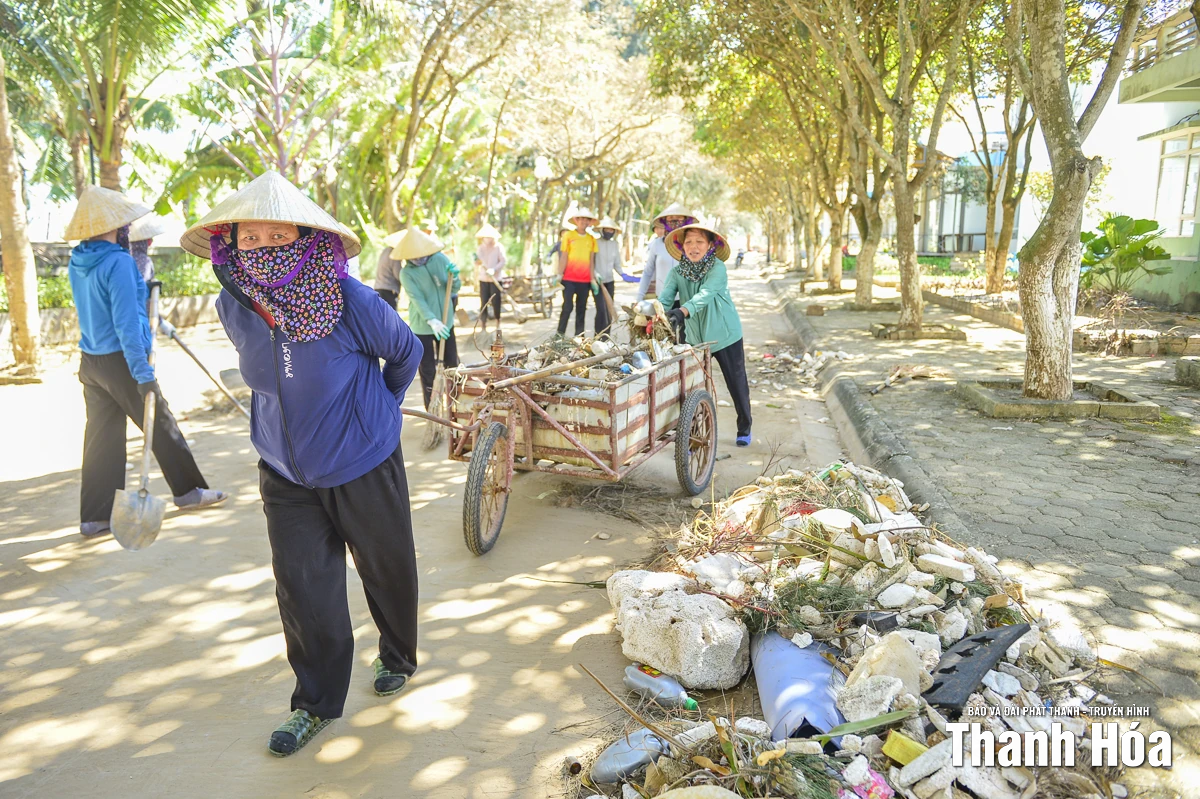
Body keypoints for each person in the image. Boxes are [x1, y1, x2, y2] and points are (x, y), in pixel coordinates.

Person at [180, 171, 424, 757]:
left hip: (362, 459)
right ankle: (314, 704)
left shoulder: (351, 300)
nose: (263, 247)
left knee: (386, 567)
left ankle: (397, 653)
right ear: (229, 245)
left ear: (309, 240)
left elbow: (406, 352)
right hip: (284, 472)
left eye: (278, 233)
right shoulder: (231, 303)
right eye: (250, 237)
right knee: (302, 588)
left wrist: (375, 413)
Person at [65, 186, 227, 540]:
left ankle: (95, 518)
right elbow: (125, 323)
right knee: (161, 419)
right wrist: (143, 373)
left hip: (91, 362)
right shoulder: (118, 262)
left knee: (101, 438)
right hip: (123, 361)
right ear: (118, 227)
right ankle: (188, 491)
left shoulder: (78, 260)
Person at [659, 222, 753, 448]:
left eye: (699, 241)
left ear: (710, 245)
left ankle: (744, 427)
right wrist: (655, 314)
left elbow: (706, 294)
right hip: (695, 339)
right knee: (690, 387)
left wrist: (682, 311)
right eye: (689, 242)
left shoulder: (717, 268)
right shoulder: (676, 272)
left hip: (725, 335)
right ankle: (691, 437)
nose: (694, 246)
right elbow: (665, 298)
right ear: (682, 247)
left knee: (736, 382)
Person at [393, 228, 462, 408]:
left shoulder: (439, 259)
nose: (418, 259)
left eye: (421, 255)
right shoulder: (406, 273)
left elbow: (454, 289)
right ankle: (432, 408)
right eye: (413, 257)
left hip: (445, 322)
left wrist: (454, 277)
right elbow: (417, 299)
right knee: (428, 369)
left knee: (452, 364)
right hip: (422, 326)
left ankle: (456, 405)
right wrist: (432, 320)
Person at [636, 203, 697, 303]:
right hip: (662, 300)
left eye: (678, 217)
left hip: (686, 300)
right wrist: (639, 297)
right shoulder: (657, 244)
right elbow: (648, 272)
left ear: (686, 220)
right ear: (665, 221)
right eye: (671, 217)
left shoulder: (692, 245)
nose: (674, 220)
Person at [557, 207, 599, 337]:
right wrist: (559, 274)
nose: (584, 222)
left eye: (587, 220)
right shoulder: (568, 236)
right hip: (569, 279)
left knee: (582, 310)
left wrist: (592, 279)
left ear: (590, 222)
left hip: (584, 281)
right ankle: (559, 335)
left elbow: (592, 261)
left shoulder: (591, 239)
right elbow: (564, 256)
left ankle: (579, 338)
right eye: (581, 219)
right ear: (576, 220)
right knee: (567, 307)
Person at [592, 216, 635, 335]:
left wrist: (624, 275)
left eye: (611, 230)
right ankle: (597, 336)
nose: (609, 232)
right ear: (602, 230)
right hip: (597, 282)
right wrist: (595, 274)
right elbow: (591, 262)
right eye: (606, 229)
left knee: (609, 309)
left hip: (609, 282)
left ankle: (606, 337)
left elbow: (617, 264)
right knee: (601, 309)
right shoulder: (595, 243)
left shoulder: (614, 244)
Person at [475, 223, 505, 331]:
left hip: (495, 279)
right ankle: (483, 324)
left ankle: (498, 322)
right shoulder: (480, 248)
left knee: (496, 301)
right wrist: (476, 261)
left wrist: (494, 269)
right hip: (483, 278)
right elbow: (478, 261)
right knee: (483, 301)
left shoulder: (498, 247)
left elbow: (503, 261)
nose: (488, 239)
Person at [374, 231, 405, 309]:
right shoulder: (394, 254)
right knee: (390, 317)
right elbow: (398, 274)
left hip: (378, 288)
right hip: (389, 290)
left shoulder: (385, 251)